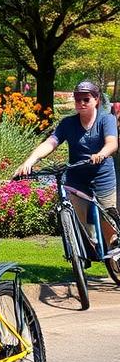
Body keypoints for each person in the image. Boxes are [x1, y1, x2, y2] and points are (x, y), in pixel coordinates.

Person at [15, 80, 118, 242]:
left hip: (102, 178)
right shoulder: (68, 123)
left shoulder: (106, 120)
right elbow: (51, 143)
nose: (81, 103)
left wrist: (101, 154)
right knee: (79, 223)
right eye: (78, 99)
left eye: (86, 99)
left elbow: (112, 143)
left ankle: (114, 256)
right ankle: (83, 253)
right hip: (77, 179)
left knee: (108, 225)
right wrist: (30, 161)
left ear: (96, 100)